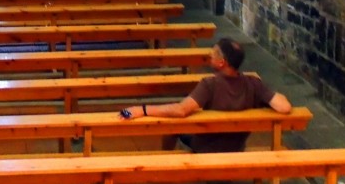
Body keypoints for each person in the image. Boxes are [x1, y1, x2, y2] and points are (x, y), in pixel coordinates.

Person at [118, 37, 292, 153]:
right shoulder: (253, 83)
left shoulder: (210, 84)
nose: (210, 55)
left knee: (172, 128)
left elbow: (180, 110)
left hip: (206, 147)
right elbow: (284, 107)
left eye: (213, 53)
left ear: (222, 62)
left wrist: (142, 109)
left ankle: (165, 163)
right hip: (236, 147)